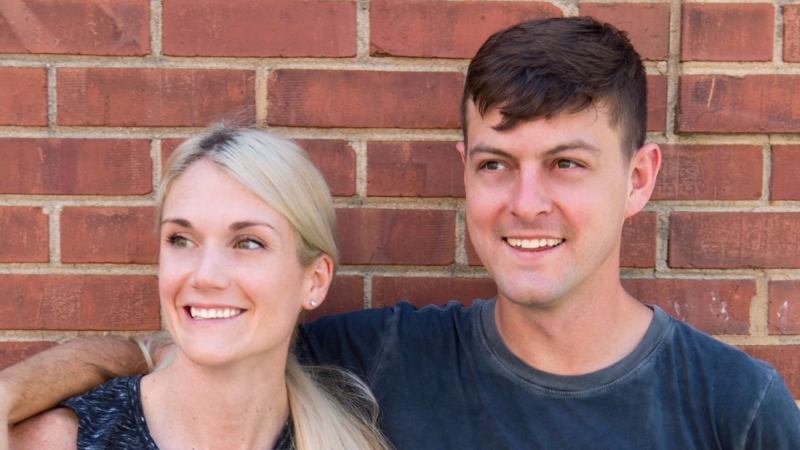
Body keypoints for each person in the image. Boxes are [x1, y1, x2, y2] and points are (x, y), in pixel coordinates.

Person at [3, 16, 800, 449]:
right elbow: (188, 348)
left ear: (638, 178)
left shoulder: (733, 407)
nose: (526, 203)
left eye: (565, 164)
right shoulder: (380, 360)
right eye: (496, 164)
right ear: (464, 171)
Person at [6, 125, 390, 449]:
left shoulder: (349, 440)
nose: (205, 275)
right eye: (181, 239)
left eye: (248, 243)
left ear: (315, 280)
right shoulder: (61, 441)